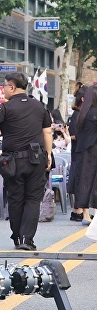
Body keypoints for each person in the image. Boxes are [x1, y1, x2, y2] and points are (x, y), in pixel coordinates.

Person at [0, 72, 52, 250]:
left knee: (16, 199)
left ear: (11, 87)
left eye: (4, 86)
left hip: (13, 161)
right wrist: (48, 154)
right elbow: (47, 132)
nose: (3, 89)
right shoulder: (40, 106)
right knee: (33, 199)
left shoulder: (5, 108)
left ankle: (17, 238)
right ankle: (28, 239)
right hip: (36, 159)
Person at [72, 85, 97, 226]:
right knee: (95, 183)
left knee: (85, 182)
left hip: (82, 152)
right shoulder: (95, 113)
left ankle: (85, 215)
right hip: (94, 150)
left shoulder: (82, 114)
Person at [68, 84, 87, 222]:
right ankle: (78, 211)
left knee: (80, 179)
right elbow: (73, 135)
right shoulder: (78, 114)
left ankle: (77, 211)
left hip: (81, 152)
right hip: (80, 152)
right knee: (80, 180)